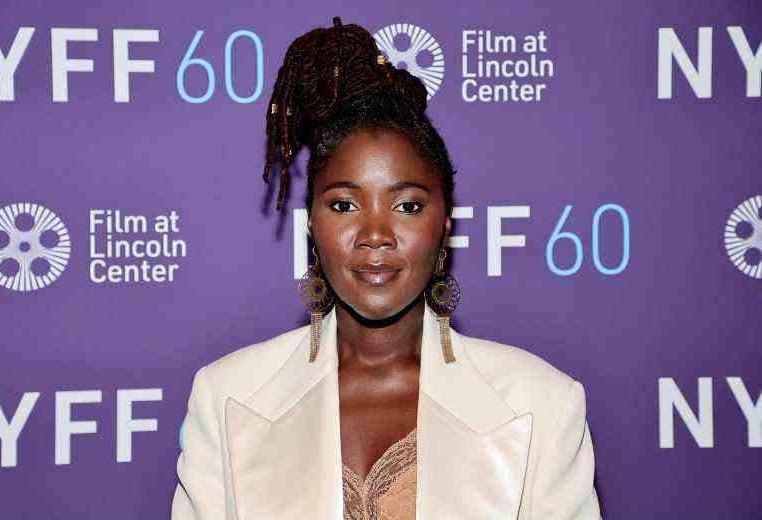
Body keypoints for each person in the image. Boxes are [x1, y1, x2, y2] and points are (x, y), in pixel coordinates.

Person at [171, 16, 602, 520]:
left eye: (409, 207)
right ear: (311, 225)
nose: (375, 235)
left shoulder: (543, 404)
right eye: (344, 205)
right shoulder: (226, 396)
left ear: (446, 225)